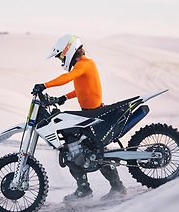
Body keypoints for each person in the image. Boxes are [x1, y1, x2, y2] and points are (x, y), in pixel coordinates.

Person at [33, 34, 127, 201]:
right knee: (81, 148)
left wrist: (45, 85)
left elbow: (67, 78)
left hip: (95, 114)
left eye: (61, 56)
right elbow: (82, 90)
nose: (61, 60)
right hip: (90, 113)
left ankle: (97, 189)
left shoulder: (84, 64)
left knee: (90, 150)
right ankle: (102, 188)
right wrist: (63, 98)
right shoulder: (83, 66)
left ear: (68, 51)